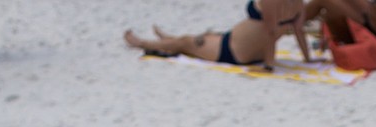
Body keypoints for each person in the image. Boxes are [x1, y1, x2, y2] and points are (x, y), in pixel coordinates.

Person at [124, 0, 311, 72]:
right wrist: (307, 58)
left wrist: (269, 66)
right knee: (205, 36)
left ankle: (142, 42)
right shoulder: (297, 2)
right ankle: (167, 38)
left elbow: (270, 33)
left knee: (186, 42)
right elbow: (298, 30)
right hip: (252, 50)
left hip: (235, 51)